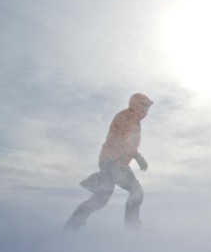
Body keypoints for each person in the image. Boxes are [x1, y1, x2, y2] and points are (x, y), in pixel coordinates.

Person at [65, 93, 153, 230]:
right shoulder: (126, 117)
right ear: (138, 105)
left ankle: (73, 223)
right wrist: (137, 157)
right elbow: (120, 139)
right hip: (113, 162)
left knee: (102, 196)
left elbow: (128, 142)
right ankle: (132, 228)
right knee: (136, 192)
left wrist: (135, 156)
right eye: (146, 106)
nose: (148, 109)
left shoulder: (134, 120)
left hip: (115, 162)